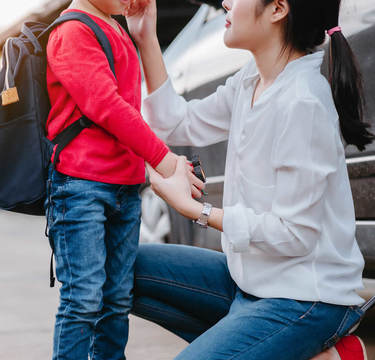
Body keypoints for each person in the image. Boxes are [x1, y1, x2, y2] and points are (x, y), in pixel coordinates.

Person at [124, 0, 374, 359]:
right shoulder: (251, 81)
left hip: (306, 299)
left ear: (277, 9)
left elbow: (294, 234)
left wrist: (196, 209)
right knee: (116, 269)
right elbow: (177, 122)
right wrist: (146, 37)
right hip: (251, 282)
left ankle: (297, 343)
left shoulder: (303, 102)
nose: (225, 2)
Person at [44, 0, 203, 359]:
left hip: (125, 189)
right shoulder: (73, 30)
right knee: (83, 299)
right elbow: (107, 107)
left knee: (116, 300)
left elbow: (132, 107)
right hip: (81, 187)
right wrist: (163, 159)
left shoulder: (115, 28)